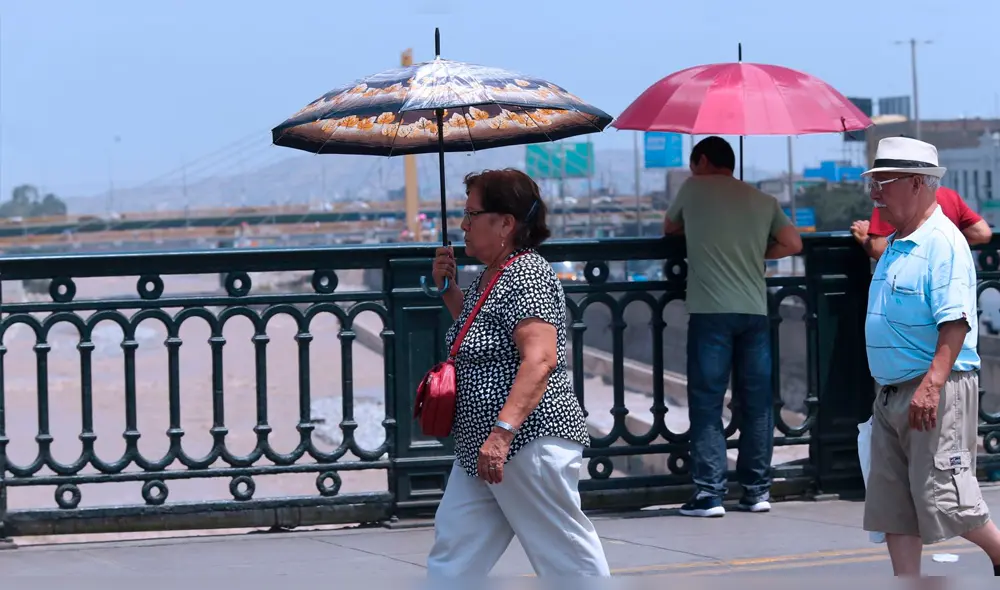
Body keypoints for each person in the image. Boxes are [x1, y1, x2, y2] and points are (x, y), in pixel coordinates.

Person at [425, 168, 610, 578]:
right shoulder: (494, 274)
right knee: (454, 552)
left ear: (506, 223)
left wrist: (502, 433)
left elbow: (540, 359)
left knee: (565, 555)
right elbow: (481, 339)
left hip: (524, 441)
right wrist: (449, 289)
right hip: (481, 444)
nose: (463, 224)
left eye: (473, 214)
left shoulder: (528, 274)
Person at [860, 137, 1000, 577]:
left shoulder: (943, 242)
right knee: (892, 506)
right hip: (890, 392)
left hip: (930, 387)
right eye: (874, 183)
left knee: (948, 499)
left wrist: (932, 385)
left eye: (884, 181)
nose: (875, 192)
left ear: (918, 184)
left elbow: (955, 322)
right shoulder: (898, 242)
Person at [663, 136, 803, 518]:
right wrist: (756, 250)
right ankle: (757, 491)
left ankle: (709, 493)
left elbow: (669, 227)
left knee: (708, 401)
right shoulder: (763, 200)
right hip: (755, 312)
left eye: (694, 165)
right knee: (757, 404)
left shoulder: (693, 188)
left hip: (711, 312)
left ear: (703, 161)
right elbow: (792, 243)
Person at [850, 184, 992, 260]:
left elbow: (879, 249)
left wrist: (865, 238)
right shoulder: (948, 195)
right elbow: (983, 233)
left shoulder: (889, 199)